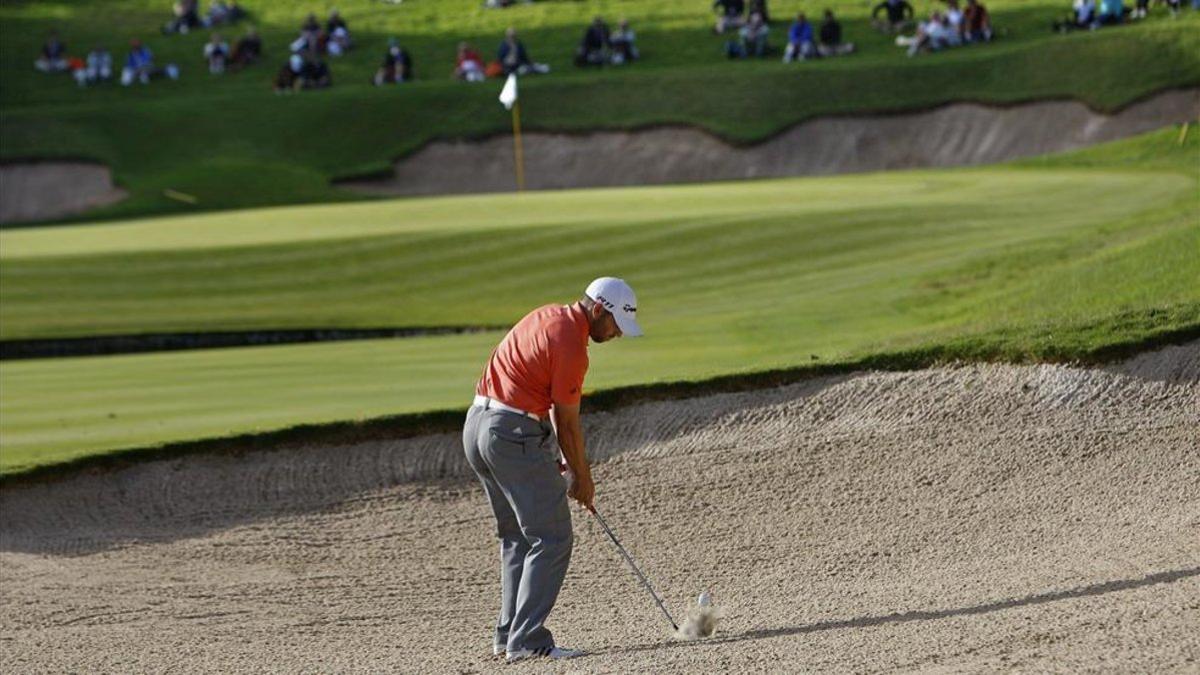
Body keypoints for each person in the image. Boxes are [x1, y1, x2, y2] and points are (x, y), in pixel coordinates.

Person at [464, 277, 642, 663]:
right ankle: (527, 639)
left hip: (477, 426)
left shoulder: (546, 316)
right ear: (598, 310)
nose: (616, 335)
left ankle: (508, 634)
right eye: (615, 326)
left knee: (518, 536)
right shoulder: (573, 347)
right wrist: (583, 477)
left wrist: (559, 459)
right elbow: (568, 422)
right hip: (510, 435)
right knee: (553, 537)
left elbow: (532, 389)